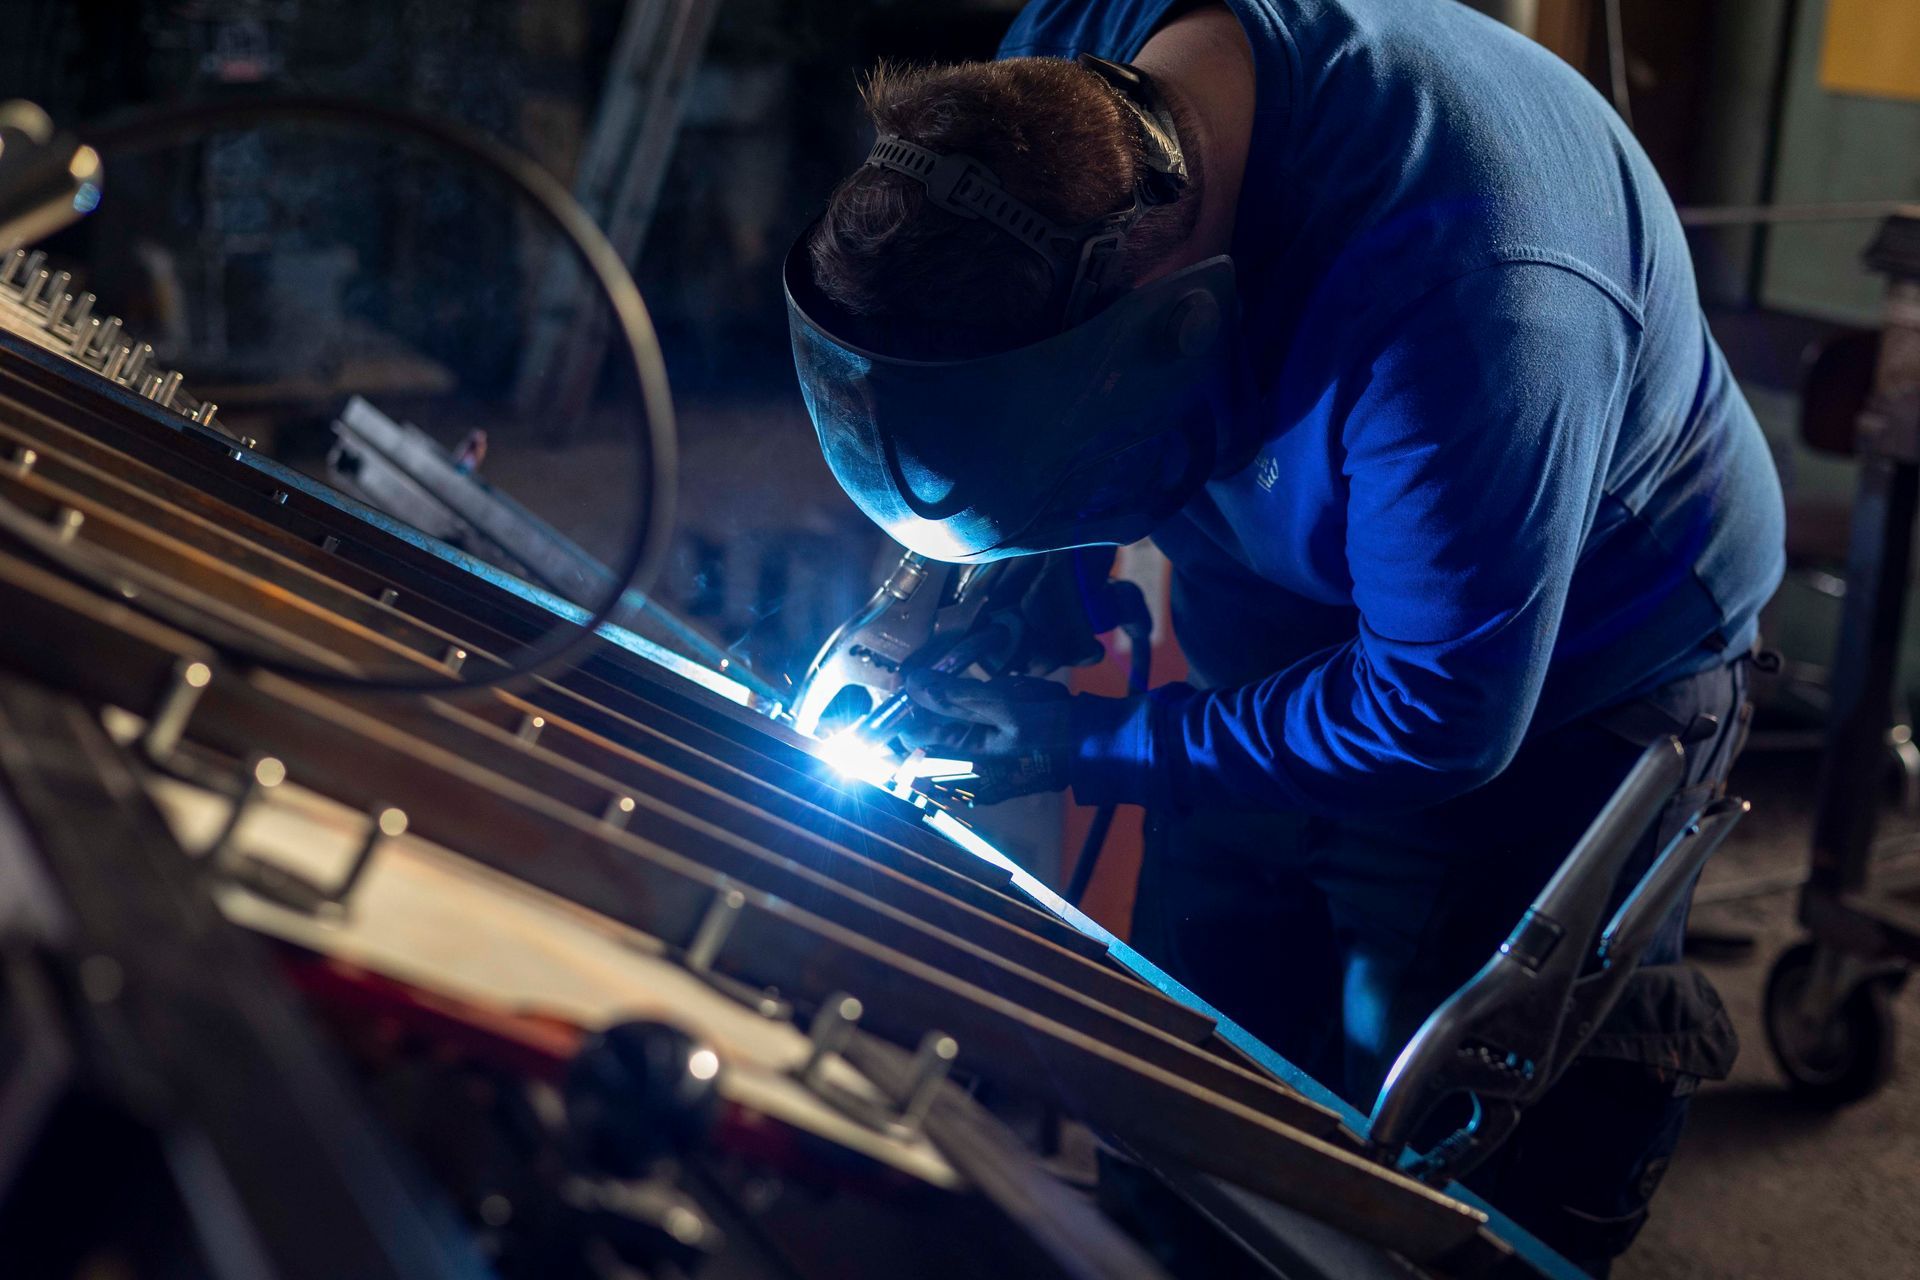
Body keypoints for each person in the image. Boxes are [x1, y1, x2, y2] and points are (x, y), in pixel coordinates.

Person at [781, 0, 1784, 1270]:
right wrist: (954, 593)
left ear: (1177, 316)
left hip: (1563, 664)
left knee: (1424, 1155)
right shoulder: (1047, 96)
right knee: (1194, 1053)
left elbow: (1434, 714)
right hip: (1291, 586)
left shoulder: (1475, 289)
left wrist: (1086, 740)